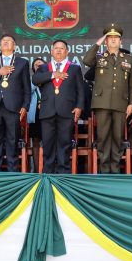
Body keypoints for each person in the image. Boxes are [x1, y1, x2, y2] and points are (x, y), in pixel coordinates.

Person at [82, 24, 132, 174]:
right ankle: (104, 167)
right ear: (106, 41)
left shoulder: (128, 59)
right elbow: (86, 60)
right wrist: (98, 43)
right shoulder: (100, 58)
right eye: (110, 38)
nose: (113, 40)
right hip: (102, 103)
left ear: (121, 41)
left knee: (118, 136)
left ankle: (115, 167)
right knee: (103, 136)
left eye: (116, 38)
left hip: (121, 103)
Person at [32, 40, 84, 174]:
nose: (59, 50)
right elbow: (35, 80)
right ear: (51, 51)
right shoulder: (44, 68)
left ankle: (63, 174)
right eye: (56, 48)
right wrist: (52, 75)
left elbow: (80, 90)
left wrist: (79, 107)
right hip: (47, 111)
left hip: (67, 111)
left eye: (62, 48)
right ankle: (47, 173)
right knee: (48, 144)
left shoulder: (74, 68)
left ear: (67, 52)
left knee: (64, 144)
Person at [0, 34, 31, 172]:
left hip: (13, 107)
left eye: (9, 41)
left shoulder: (22, 62)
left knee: (12, 140)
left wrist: (25, 106)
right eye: (3, 41)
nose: (6, 43)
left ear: (14, 46)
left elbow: (27, 88)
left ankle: (12, 171)